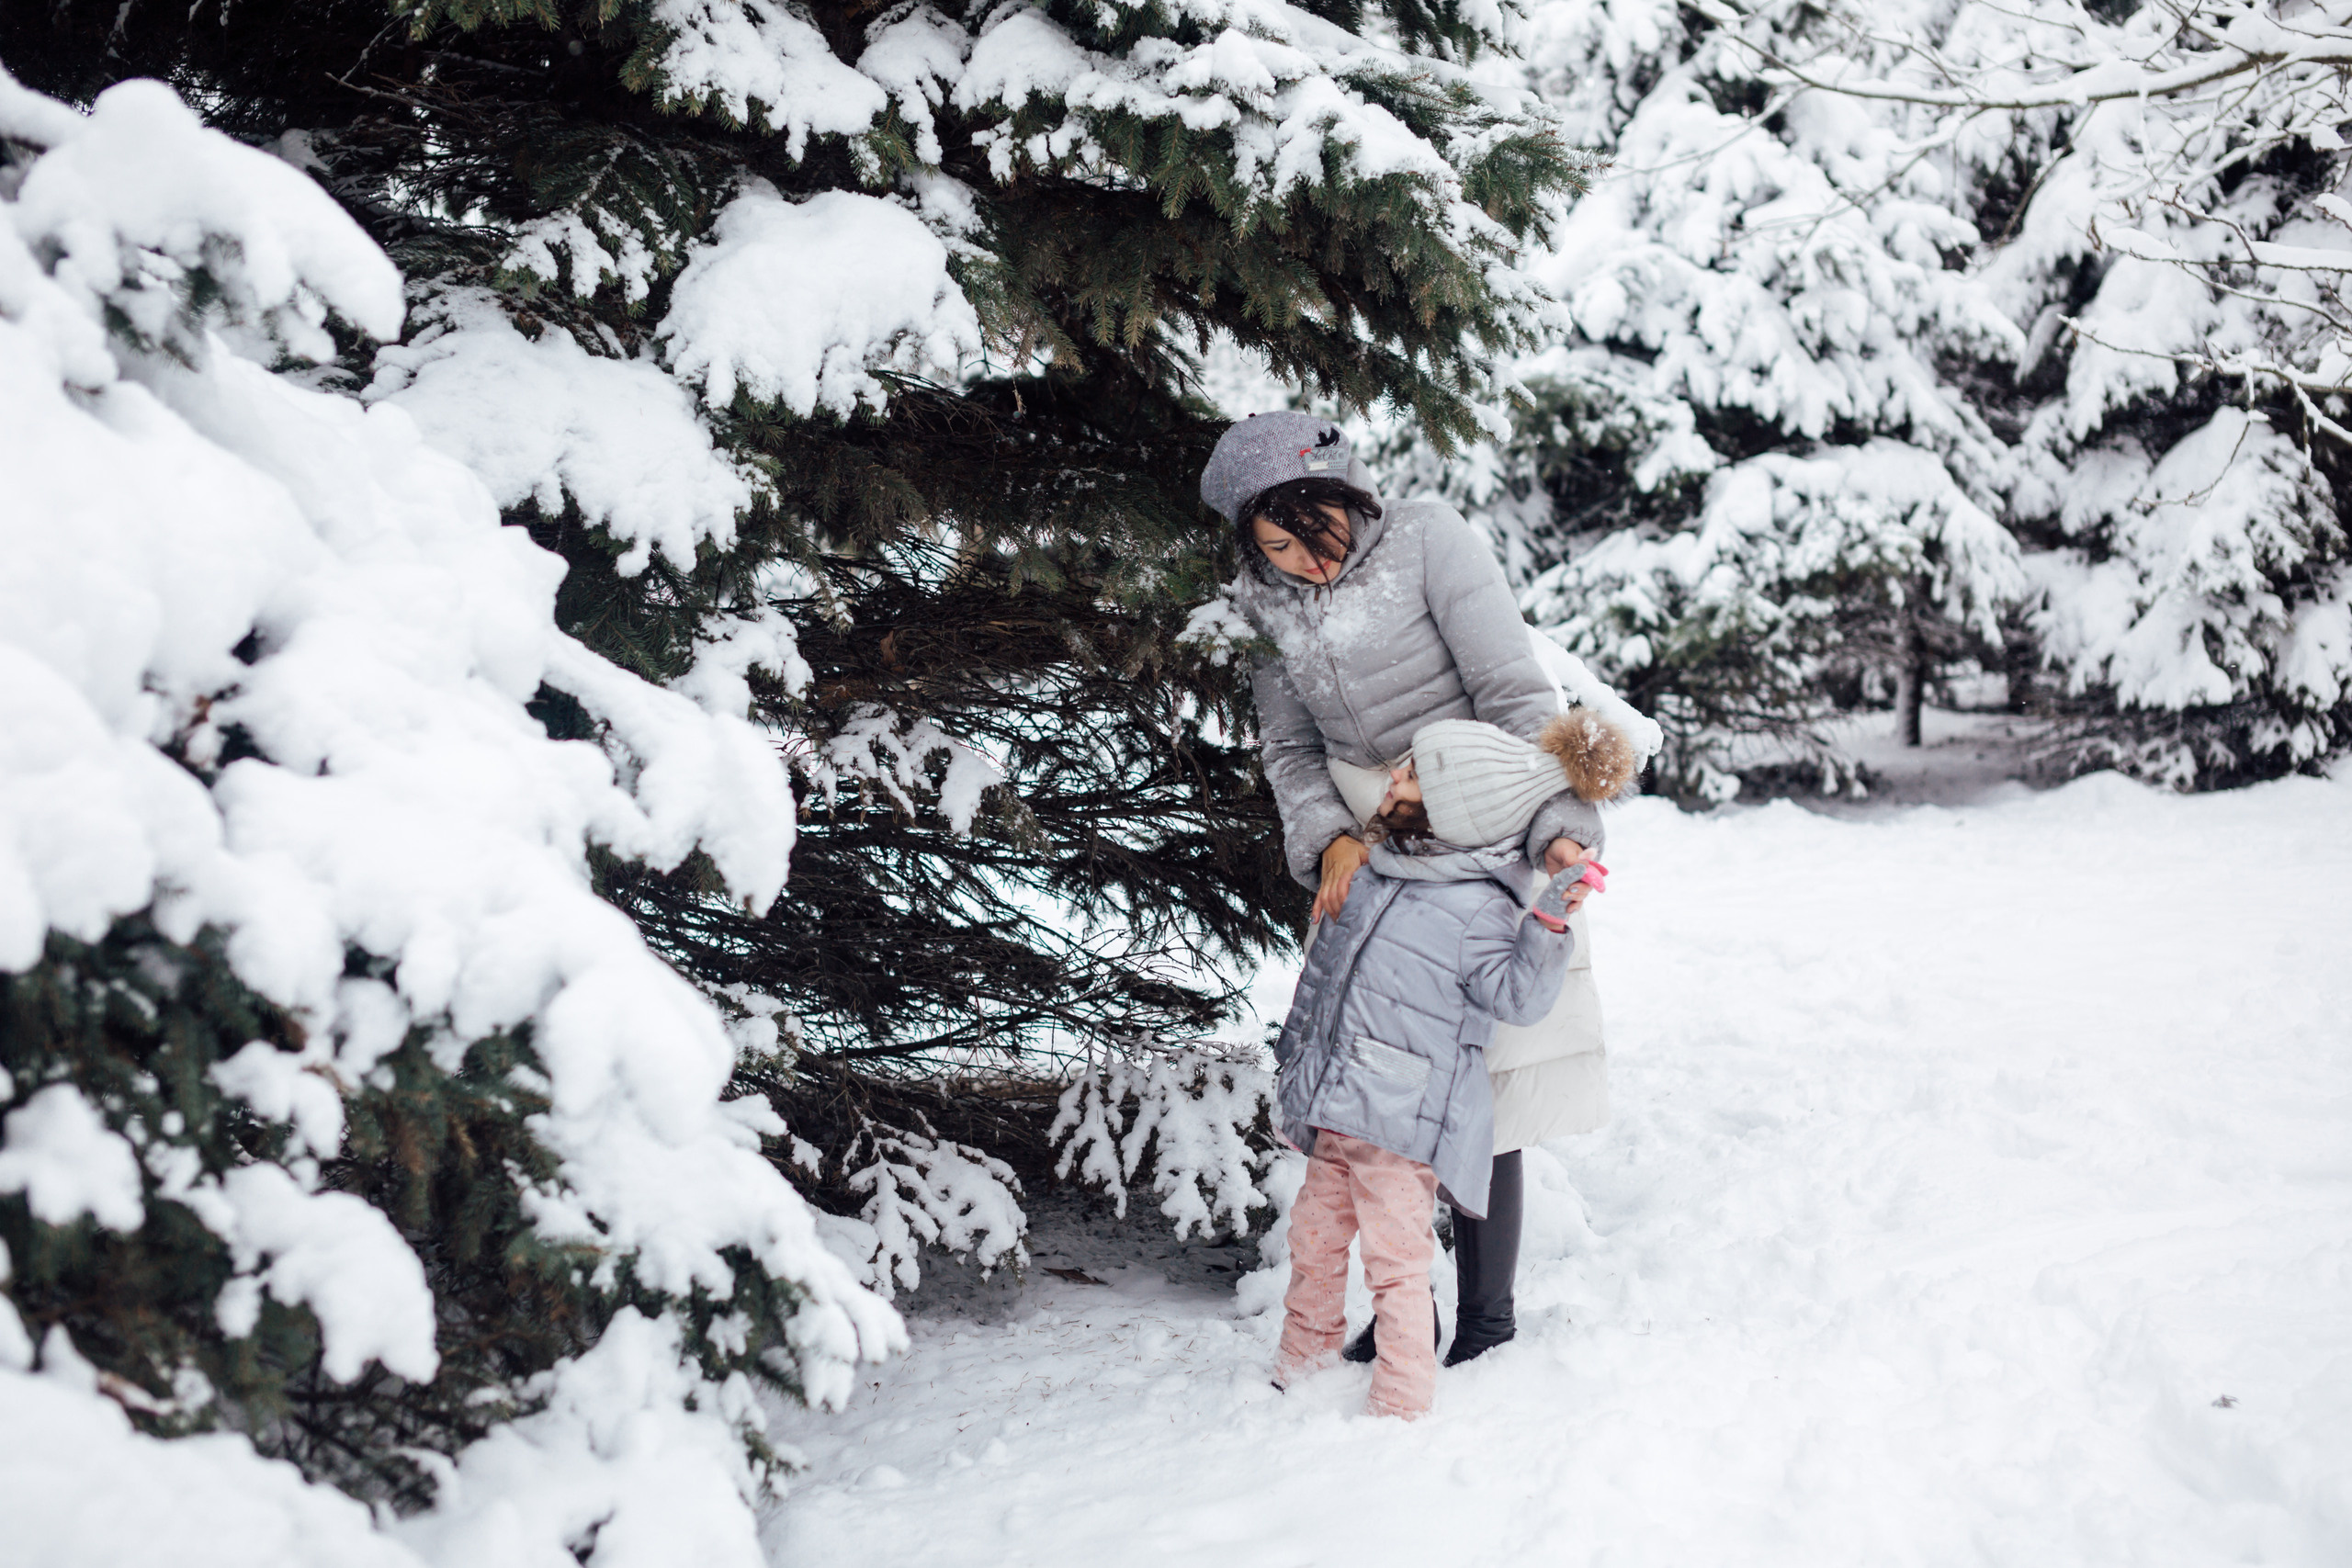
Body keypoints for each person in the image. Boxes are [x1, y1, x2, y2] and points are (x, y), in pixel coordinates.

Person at [1200, 412, 1636, 1365]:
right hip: (1368, 835)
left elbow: (1518, 698)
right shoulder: (1259, 606)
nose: (1303, 565)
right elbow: (1290, 748)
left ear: (1345, 501)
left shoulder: (1428, 541)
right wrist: (1330, 845)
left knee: (1484, 1077)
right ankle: (1410, 1307)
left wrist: (1556, 834)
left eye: (1313, 538)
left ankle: (1484, 1315)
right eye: (1275, 549)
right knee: (1381, 1082)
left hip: (1479, 806)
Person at [1268, 720, 1597, 1418]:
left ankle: (1403, 1392)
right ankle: (1305, 1358)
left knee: (1395, 1261)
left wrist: (1547, 924)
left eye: (1413, 775)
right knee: (1313, 1237)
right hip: (1337, 1104)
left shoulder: (1480, 906)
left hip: (1400, 1119)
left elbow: (1517, 996)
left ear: (1457, 803)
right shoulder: (1373, 872)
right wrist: (1299, 1058)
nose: (1393, 780)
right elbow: (1324, 981)